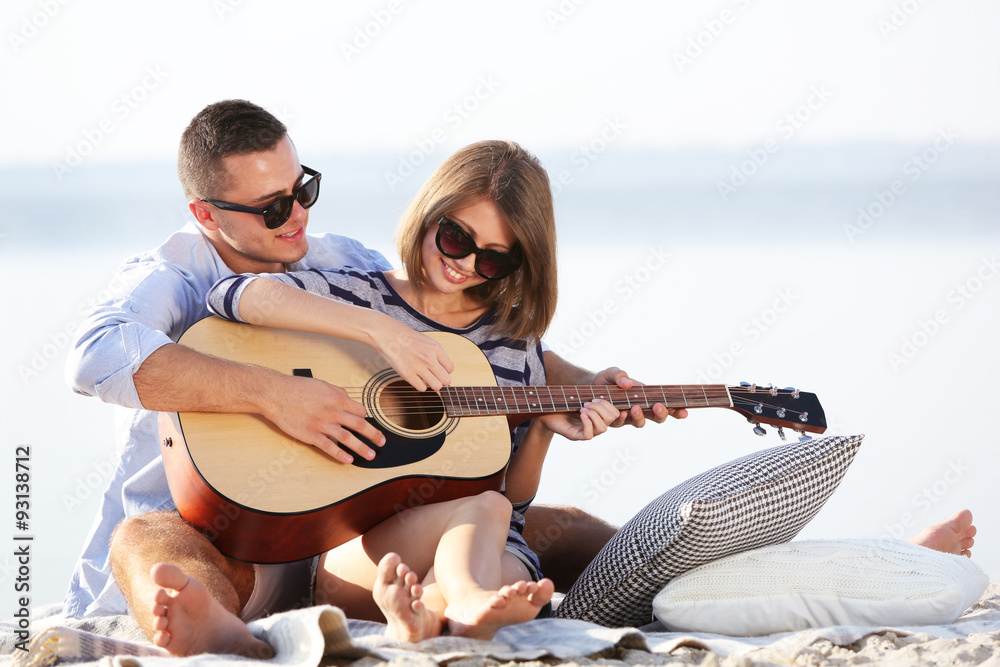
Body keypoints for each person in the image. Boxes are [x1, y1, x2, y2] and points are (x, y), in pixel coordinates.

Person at [64, 101, 667, 651]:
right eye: (272, 208)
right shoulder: (169, 279)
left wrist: (585, 384)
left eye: (303, 190)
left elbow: (464, 339)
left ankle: (680, 582)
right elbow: (95, 356)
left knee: (541, 526)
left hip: (355, 527)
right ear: (205, 214)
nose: (296, 214)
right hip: (233, 543)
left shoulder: (343, 263)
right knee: (142, 537)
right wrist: (279, 397)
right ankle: (224, 638)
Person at [201, 140, 623, 645]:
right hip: (360, 551)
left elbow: (515, 499)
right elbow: (233, 294)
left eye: (492, 260)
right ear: (430, 215)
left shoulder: (513, 346)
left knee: (509, 563)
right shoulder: (357, 296)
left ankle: (428, 617)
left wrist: (543, 434)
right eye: (455, 238)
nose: (465, 264)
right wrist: (384, 332)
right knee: (485, 514)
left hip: (485, 548)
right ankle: (459, 605)